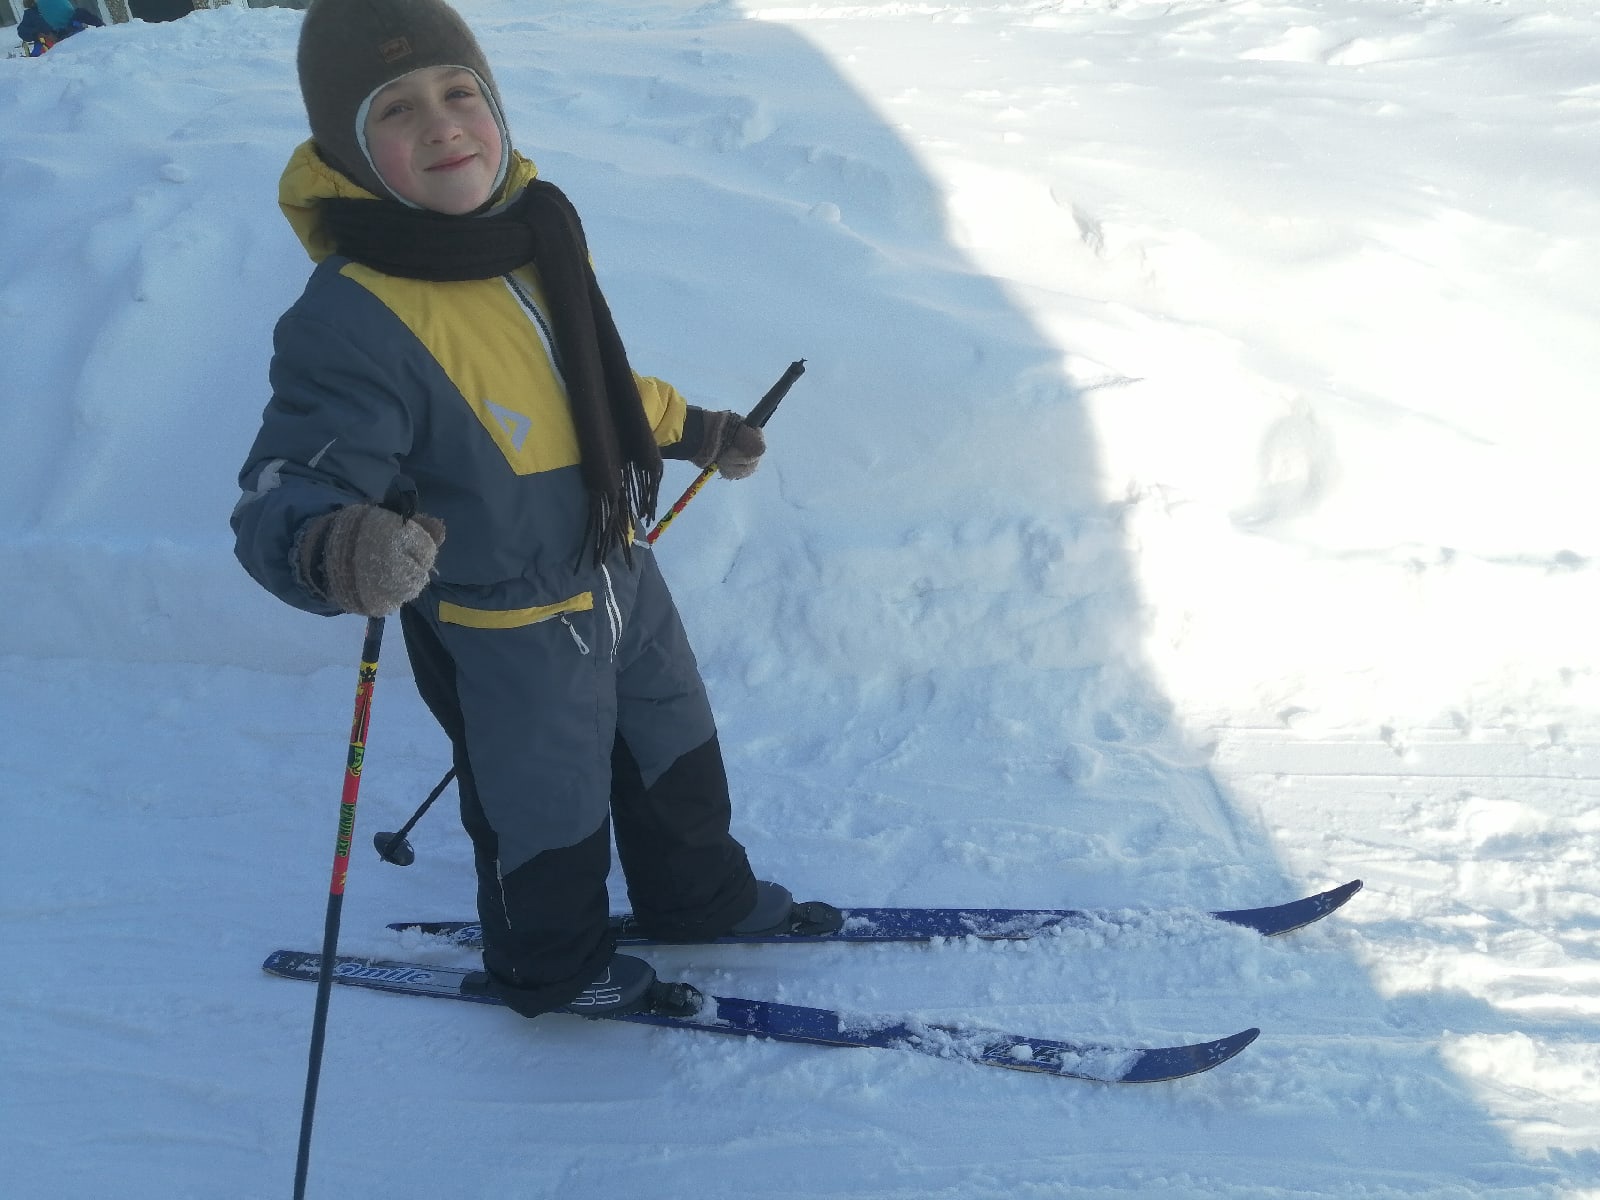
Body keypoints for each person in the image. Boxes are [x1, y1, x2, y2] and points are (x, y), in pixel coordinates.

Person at [232, 0, 797, 1018]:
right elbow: (289, 480)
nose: (444, 125)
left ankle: (698, 896)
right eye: (396, 111)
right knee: (547, 805)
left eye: (461, 93)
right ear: (348, 155)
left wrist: (697, 429)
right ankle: (553, 964)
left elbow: (597, 386)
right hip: (510, 623)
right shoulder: (353, 312)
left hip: (619, 567)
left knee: (674, 746)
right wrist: (334, 544)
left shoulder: (535, 238)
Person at [16, 0, 103, 54]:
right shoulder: (31, 14)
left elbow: (82, 15)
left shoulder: (69, 12)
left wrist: (103, 28)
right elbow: (22, 31)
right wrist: (37, 34)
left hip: (73, 40)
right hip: (49, 48)